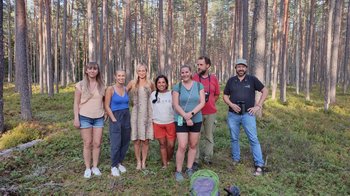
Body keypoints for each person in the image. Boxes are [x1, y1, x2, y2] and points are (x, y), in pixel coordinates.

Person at [223, 58, 268, 176]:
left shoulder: (252, 80)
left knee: (253, 139)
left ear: (246, 68)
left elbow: (265, 91)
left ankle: (259, 164)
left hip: (248, 115)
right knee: (234, 138)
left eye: (243, 66)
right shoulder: (231, 81)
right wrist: (231, 104)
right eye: (239, 66)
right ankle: (236, 159)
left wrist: (258, 106)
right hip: (233, 115)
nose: (241, 68)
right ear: (235, 68)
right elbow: (225, 96)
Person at [172, 65, 205, 182]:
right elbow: (176, 104)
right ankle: (178, 171)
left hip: (196, 119)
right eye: (182, 72)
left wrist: (191, 114)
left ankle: (189, 168)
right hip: (181, 119)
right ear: (180, 74)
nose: (185, 74)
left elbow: (202, 103)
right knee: (182, 145)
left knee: (193, 145)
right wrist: (185, 117)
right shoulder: (177, 87)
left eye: (187, 72)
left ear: (191, 73)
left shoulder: (198, 85)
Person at [73, 62, 105, 178]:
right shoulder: (80, 85)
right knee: (87, 143)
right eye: (90, 69)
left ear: (98, 71)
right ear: (86, 71)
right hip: (84, 117)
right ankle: (87, 168)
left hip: (99, 117)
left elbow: (104, 102)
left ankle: (95, 166)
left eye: (95, 69)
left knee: (97, 143)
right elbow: (76, 103)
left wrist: (105, 112)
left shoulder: (102, 85)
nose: (92, 71)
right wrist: (76, 118)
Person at [193, 56, 220, 168]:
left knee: (209, 136)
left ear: (208, 66)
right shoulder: (194, 77)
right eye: (198, 64)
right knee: (196, 137)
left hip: (210, 113)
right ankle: (195, 159)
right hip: (197, 112)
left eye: (201, 65)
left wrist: (210, 103)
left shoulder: (213, 78)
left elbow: (217, 94)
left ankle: (208, 158)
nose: (199, 67)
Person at [126, 64, 154, 170]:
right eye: (139, 71)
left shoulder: (150, 83)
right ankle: (138, 161)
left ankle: (144, 161)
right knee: (137, 139)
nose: (142, 72)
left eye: (143, 70)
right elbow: (123, 93)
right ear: (137, 72)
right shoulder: (132, 83)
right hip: (136, 114)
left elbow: (155, 95)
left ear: (146, 71)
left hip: (147, 114)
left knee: (145, 140)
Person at [105, 70, 131, 177]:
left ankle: (120, 162)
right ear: (115, 76)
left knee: (125, 141)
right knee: (116, 142)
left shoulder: (125, 89)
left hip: (126, 116)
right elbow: (106, 105)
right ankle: (113, 166)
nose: (121, 77)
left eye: (123, 76)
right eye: (119, 76)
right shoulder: (110, 89)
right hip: (115, 116)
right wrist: (113, 118)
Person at [150, 75, 176, 168]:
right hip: (158, 123)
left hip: (171, 122)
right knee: (162, 144)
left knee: (171, 145)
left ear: (166, 83)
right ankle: (164, 164)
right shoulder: (153, 94)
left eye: (163, 82)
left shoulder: (172, 93)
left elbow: (177, 108)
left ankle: (169, 159)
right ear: (156, 84)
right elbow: (151, 109)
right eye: (159, 82)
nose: (161, 84)